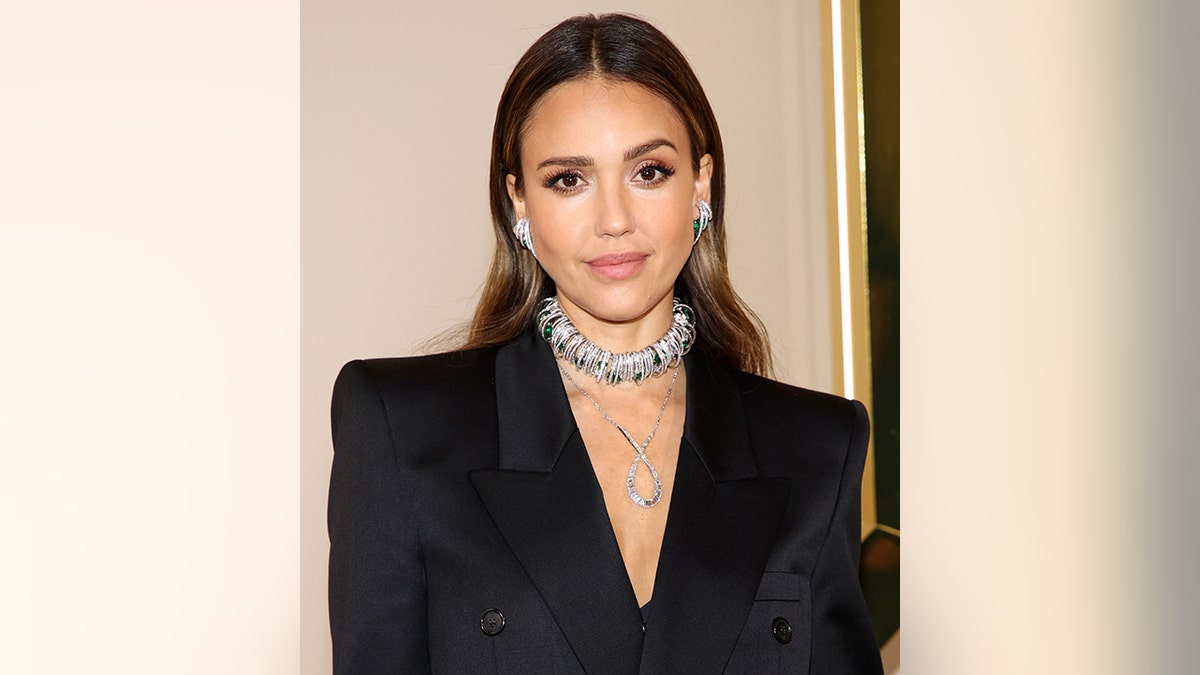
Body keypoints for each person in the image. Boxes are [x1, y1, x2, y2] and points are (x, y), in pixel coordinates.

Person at [328, 13, 882, 674]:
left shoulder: (817, 446)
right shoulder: (401, 427)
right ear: (518, 204)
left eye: (649, 171)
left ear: (701, 183)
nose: (615, 220)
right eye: (569, 179)